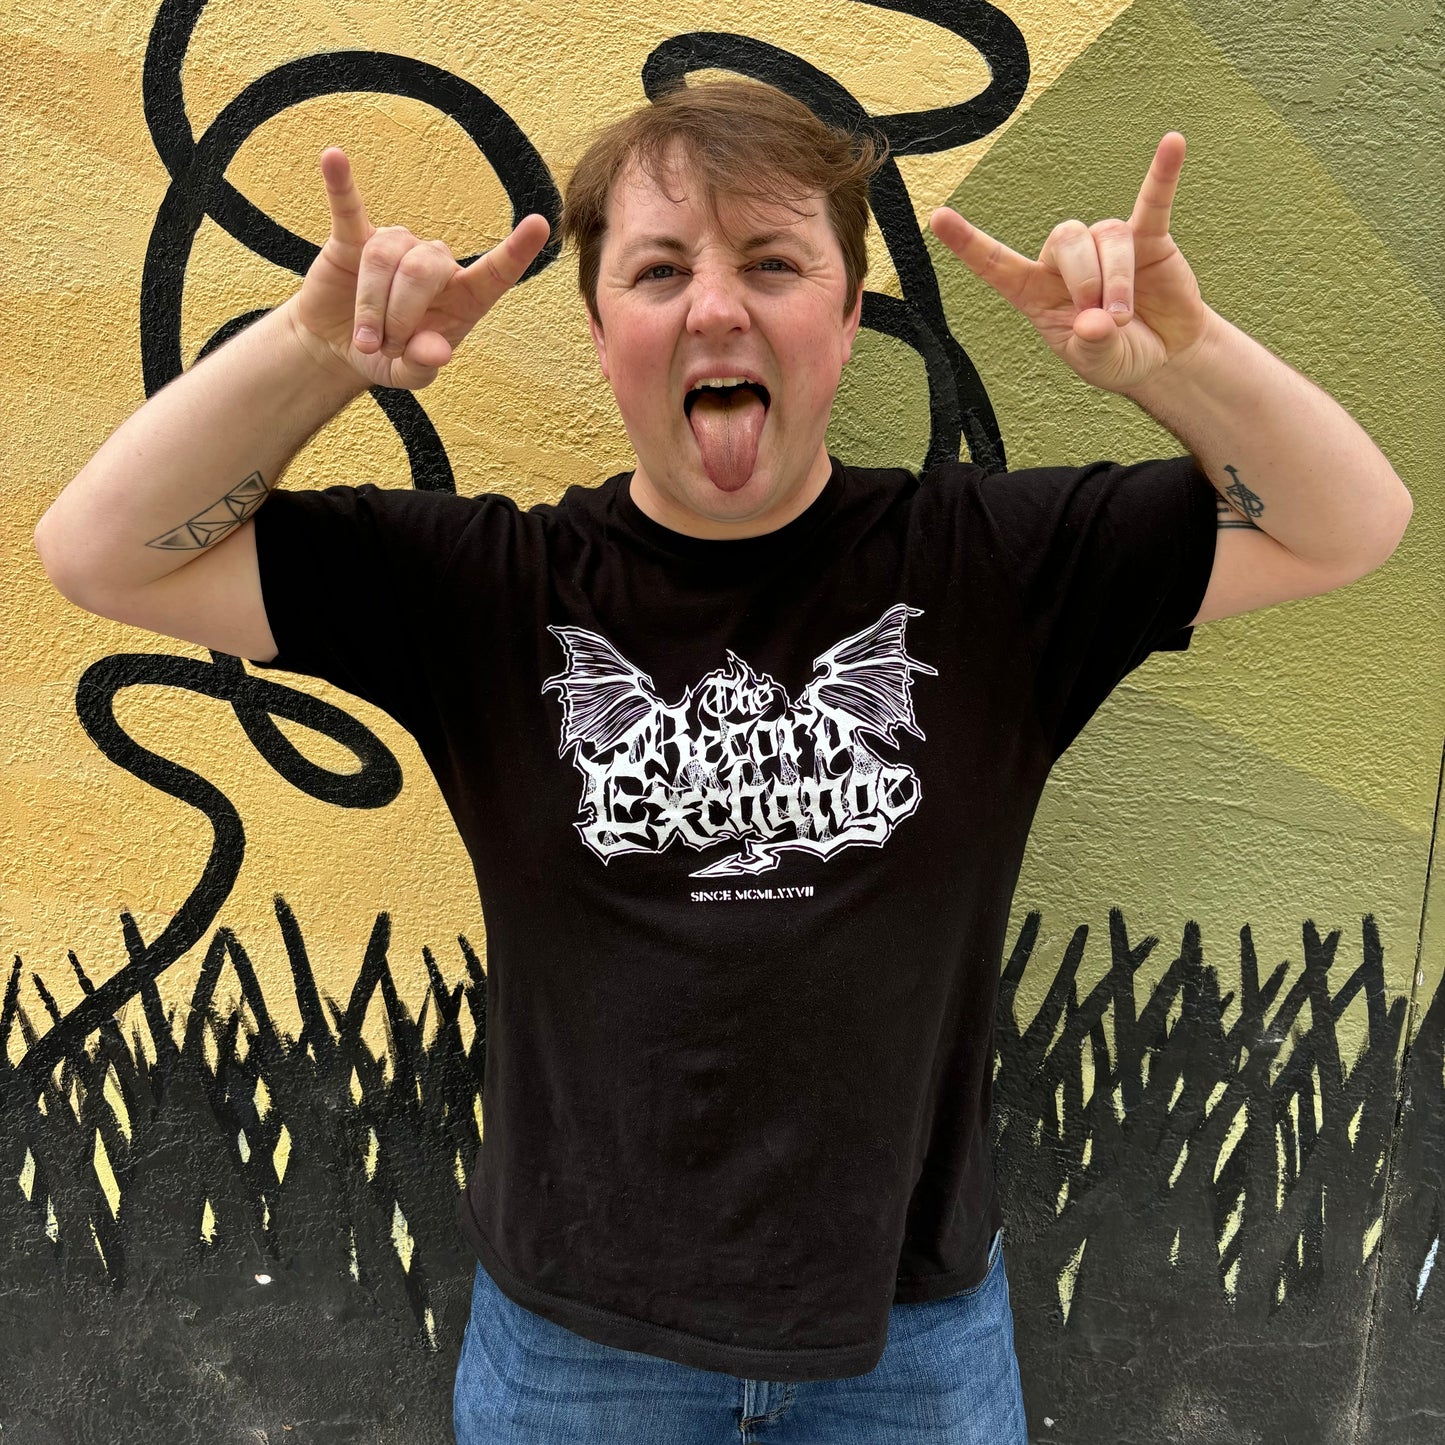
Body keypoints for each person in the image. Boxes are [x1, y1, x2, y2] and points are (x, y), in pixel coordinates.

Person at [34, 81, 1410, 1444]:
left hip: (909, 1335)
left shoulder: (992, 570)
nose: (713, 306)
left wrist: (1176, 364)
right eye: (655, 270)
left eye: (771, 261)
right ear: (598, 329)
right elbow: (97, 550)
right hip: (576, 1344)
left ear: (848, 311)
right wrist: (315, 349)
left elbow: (1350, 522)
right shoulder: (488, 591)